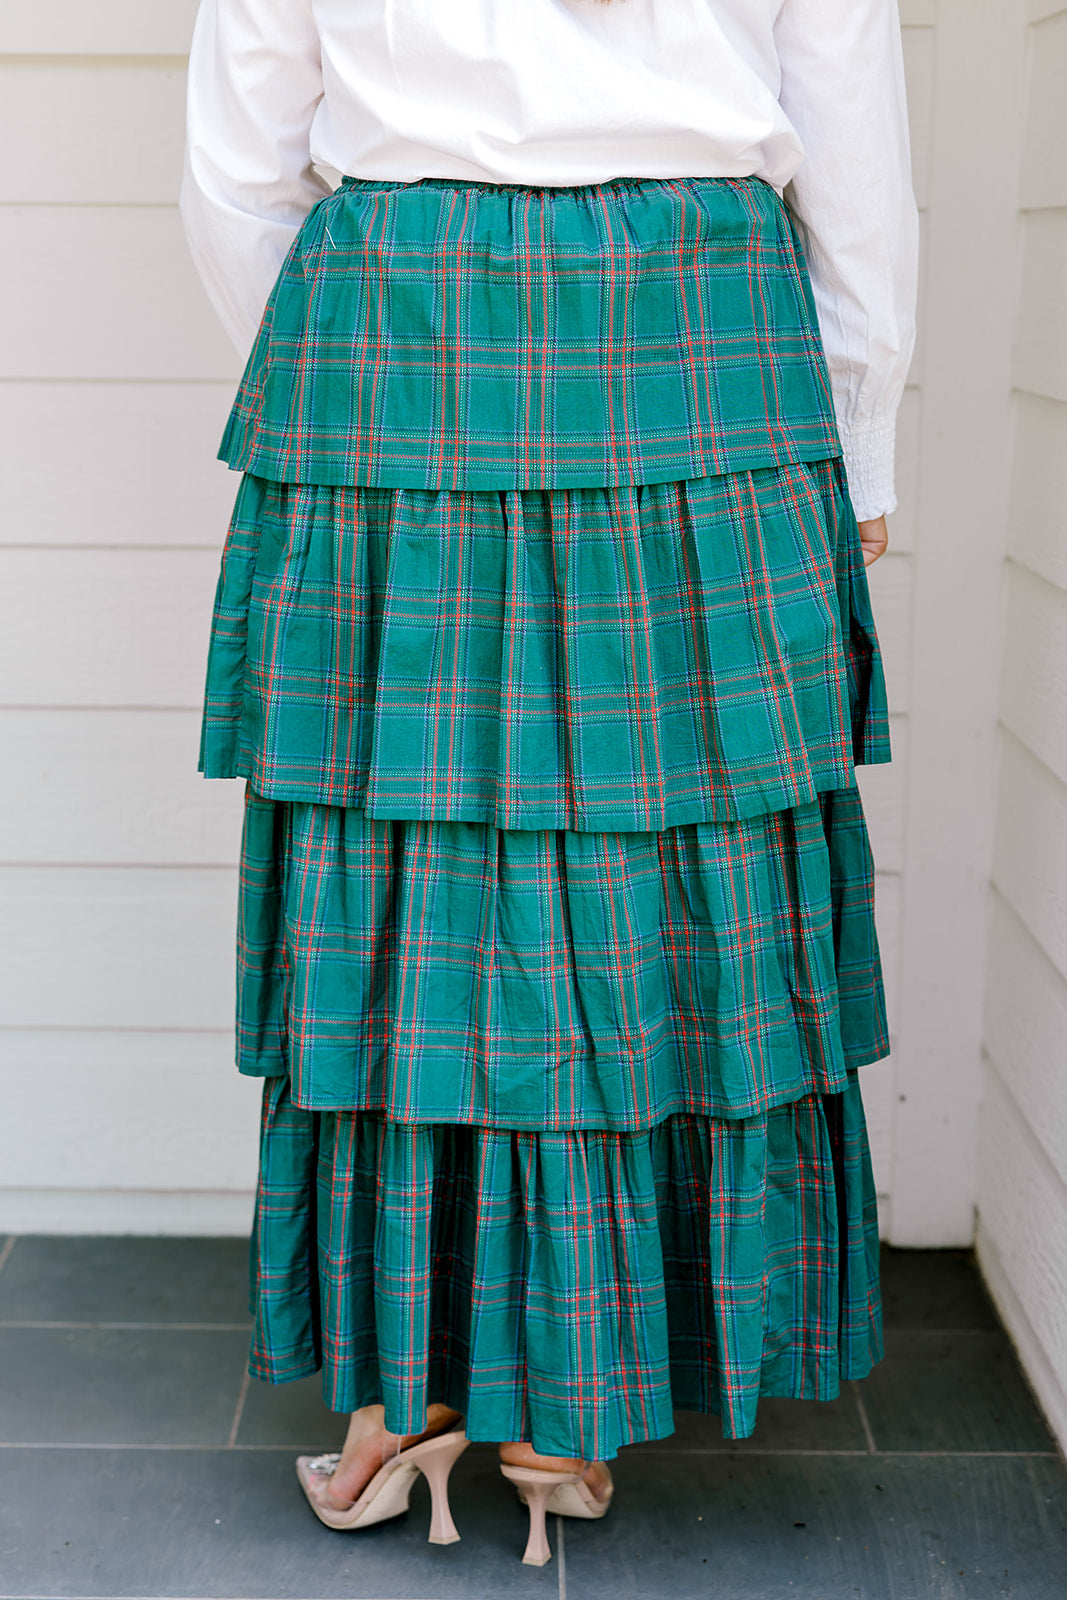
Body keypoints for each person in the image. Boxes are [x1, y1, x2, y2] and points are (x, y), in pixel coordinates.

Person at [181, 0, 917, 1568]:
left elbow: (242, 160)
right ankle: (571, 1397)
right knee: (667, 857)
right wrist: (862, 440)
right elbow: (849, 133)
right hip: (695, 333)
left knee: (415, 874)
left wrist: (336, 412)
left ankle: (410, 1387)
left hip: (401, 320)